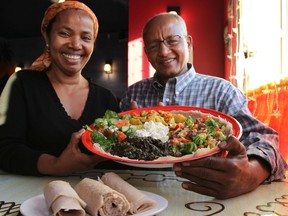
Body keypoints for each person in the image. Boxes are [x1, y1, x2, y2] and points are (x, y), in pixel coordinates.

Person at [120, 13, 287, 199]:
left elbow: (266, 140)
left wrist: (252, 174)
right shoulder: (132, 95)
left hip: (209, 198)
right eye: (153, 46)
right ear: (146, 52)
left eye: (172, 41)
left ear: (189, 42)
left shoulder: (221, 91)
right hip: (144, 197)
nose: (164, 52)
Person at [0, 1, 120, 176]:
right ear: (47, 37)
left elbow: (116, 159)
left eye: (86, 37)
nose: (75, 44)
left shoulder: (106, 98)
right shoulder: (22, 84)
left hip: (96, 198)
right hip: (29, 198)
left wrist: (137, 136)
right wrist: (56, 165)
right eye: (64, 33)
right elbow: (5, 149)